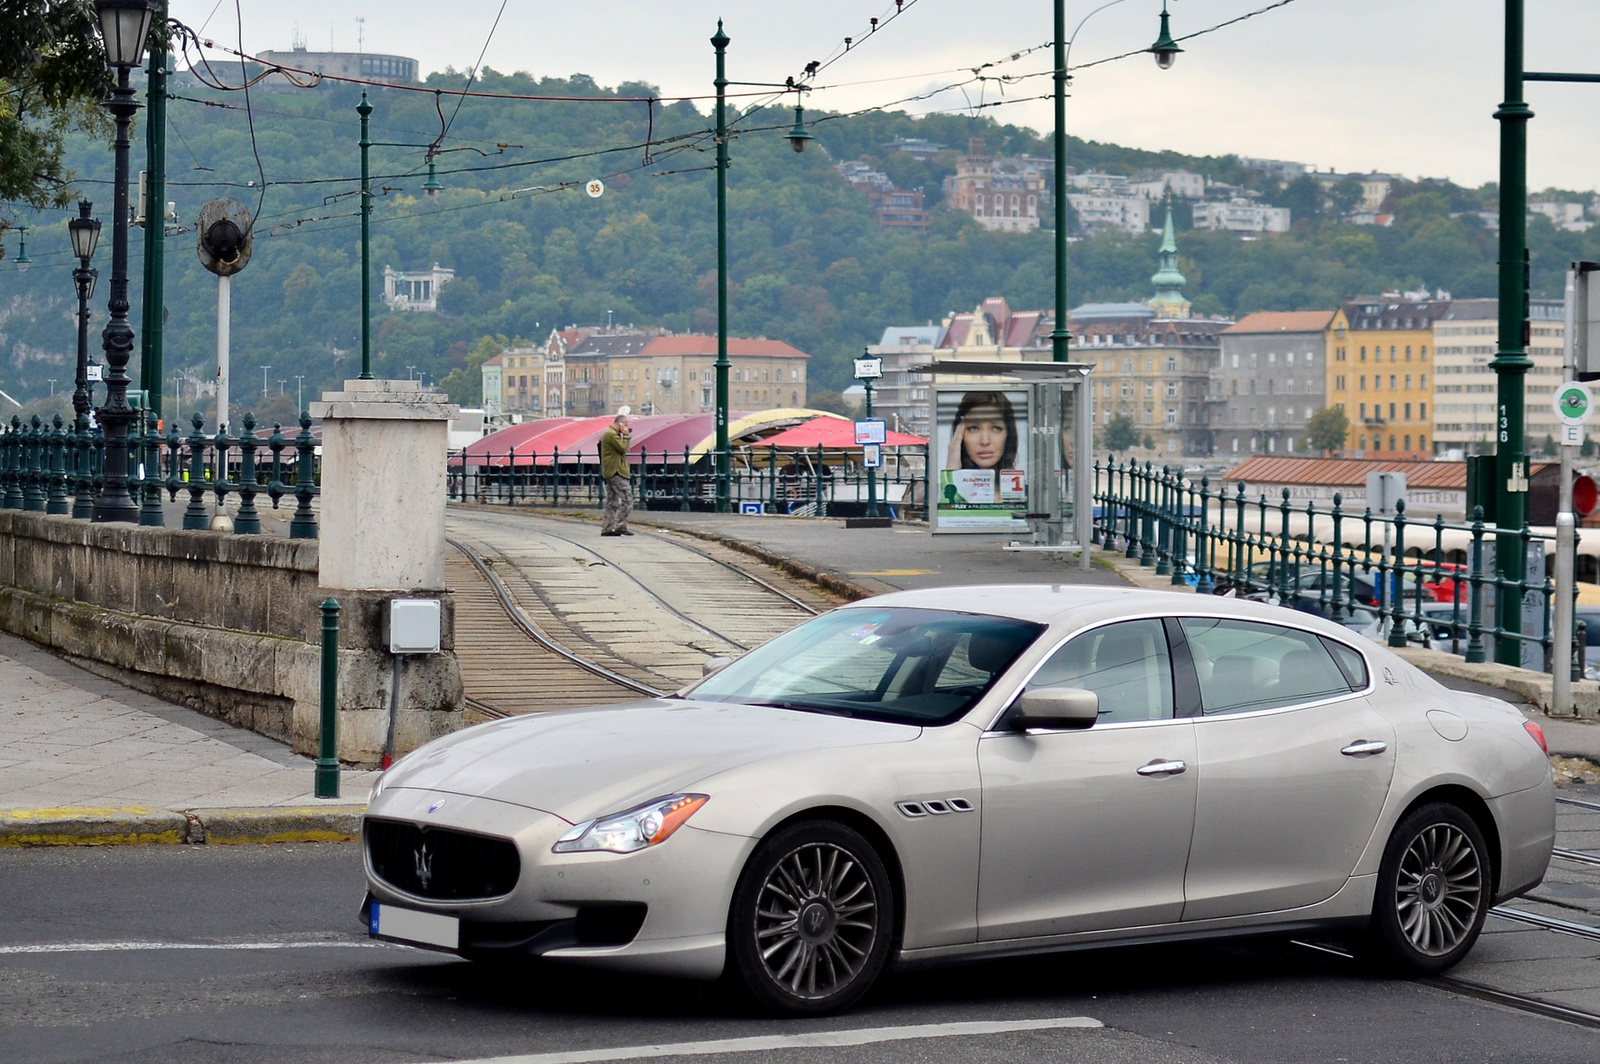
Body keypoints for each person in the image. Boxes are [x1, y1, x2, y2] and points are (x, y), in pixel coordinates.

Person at [944, 391, 1018, 471]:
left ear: (1008, 434)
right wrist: (952, 470)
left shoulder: (1023, 481)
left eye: (996, 428)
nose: (985, 441)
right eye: (974, 428)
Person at [599, 410, 633, 536]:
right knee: (627, 499)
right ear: (621, 424)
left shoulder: (610, 434)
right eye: (626, 425)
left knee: (612, 501)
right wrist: (626, 436)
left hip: (611, 470)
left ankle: (607, 528)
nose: (627, 428)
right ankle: (621, 526)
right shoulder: (611, 434)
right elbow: (623, 448)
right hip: (615, 471)